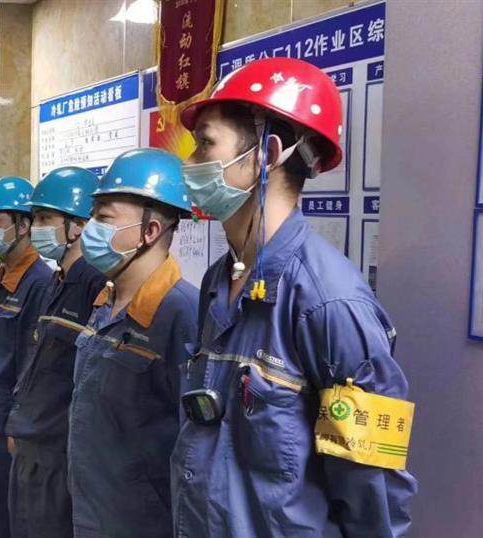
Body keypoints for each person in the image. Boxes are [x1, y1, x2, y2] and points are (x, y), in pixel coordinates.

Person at [173, 57, 416, 537]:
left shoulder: (332, 304)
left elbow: (374, 495)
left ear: (267, 154)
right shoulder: (219, 280)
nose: (191, 163)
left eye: (205, 143)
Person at [67, 148, 198, 537]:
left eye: (104, 218)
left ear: (150, 231)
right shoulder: (105, 300)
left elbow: (193, 445)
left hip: (141, 521)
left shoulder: (181, 314)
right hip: (91, 509)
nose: (88, 229)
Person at [4, 166, 106, 538]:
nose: (36, 228)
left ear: (77, 226)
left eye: (46, 218)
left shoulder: (93, 282)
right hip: (32, 437)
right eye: (35, 218)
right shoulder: (57, 278)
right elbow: (38, 361)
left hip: (56, 447)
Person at [0, 176, 52, 538]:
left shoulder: (39, 282)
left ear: (23, 225)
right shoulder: (1, 275)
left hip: (6, 423)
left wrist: (16, 424)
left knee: (7, 517)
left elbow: (30, 365)